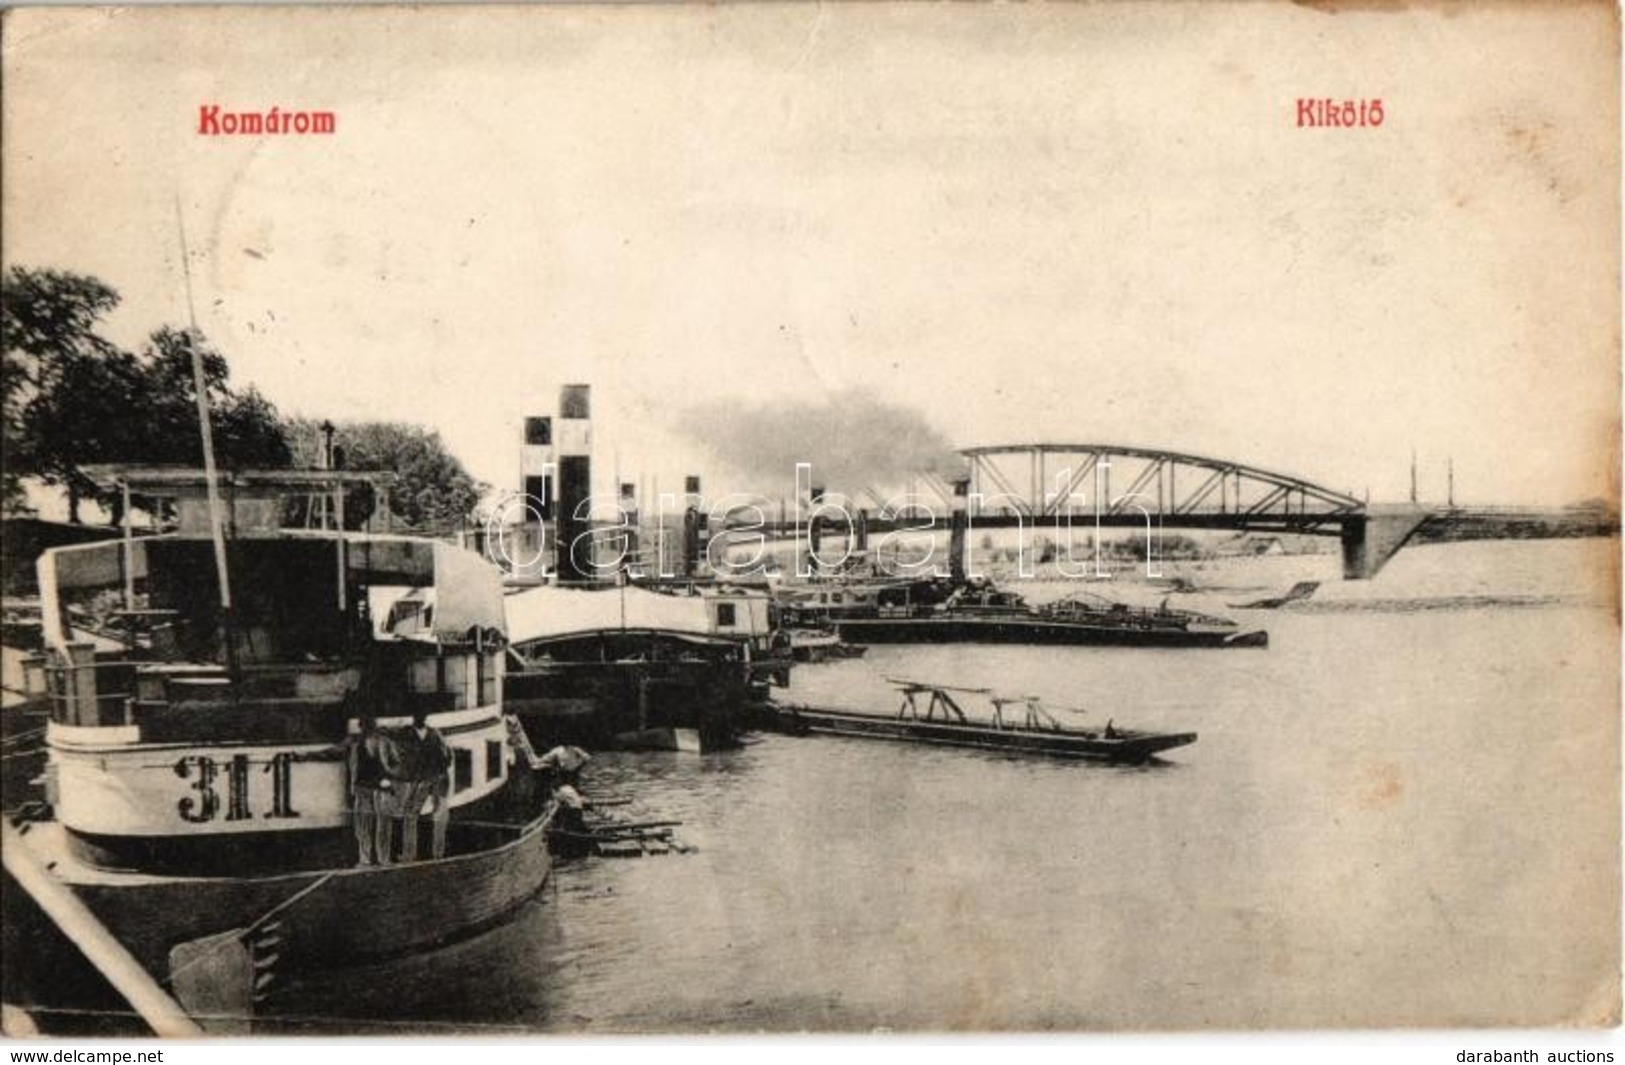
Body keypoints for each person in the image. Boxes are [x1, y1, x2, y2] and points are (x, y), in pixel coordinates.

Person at [388, 712, 453, 861]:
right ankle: (429, 854)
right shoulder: (432, 734)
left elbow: (447, 756)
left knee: (420, 814)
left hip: (432, 778)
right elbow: (447, 755)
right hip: (431, 777)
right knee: (424, 814)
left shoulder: (426, 734)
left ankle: (424, 854)